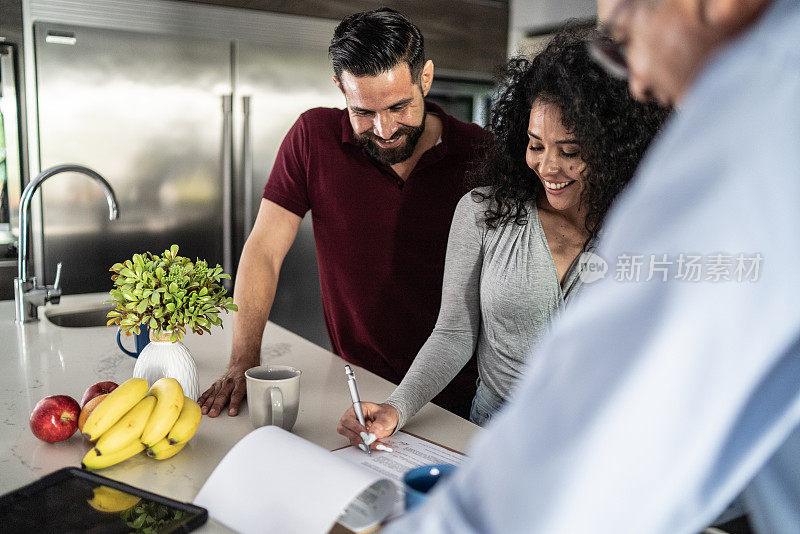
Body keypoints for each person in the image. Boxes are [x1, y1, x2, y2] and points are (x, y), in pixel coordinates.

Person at [381, 0, 800, 532]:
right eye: (535, 145)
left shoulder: (752, 129)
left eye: (624, 35)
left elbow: (601, 414)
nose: (640, 81)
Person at [336, 28, 668, 448]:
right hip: (493, 438)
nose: (547, 167)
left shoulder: (645, 233)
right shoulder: (483, 213)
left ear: (614, 150)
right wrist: (397, 406)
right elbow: (454, 333)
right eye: (535, 146)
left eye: (570, 152)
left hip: (598, 447)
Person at [198, 8, 485, 419]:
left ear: (425, 78)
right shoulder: (313, 138)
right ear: (340, 86)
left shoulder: (481, 154)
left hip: (457, 395)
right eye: (363, 112)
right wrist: (244, 359)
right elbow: (264, 249)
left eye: (399, 107)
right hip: (354, 384)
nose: (384, 130)